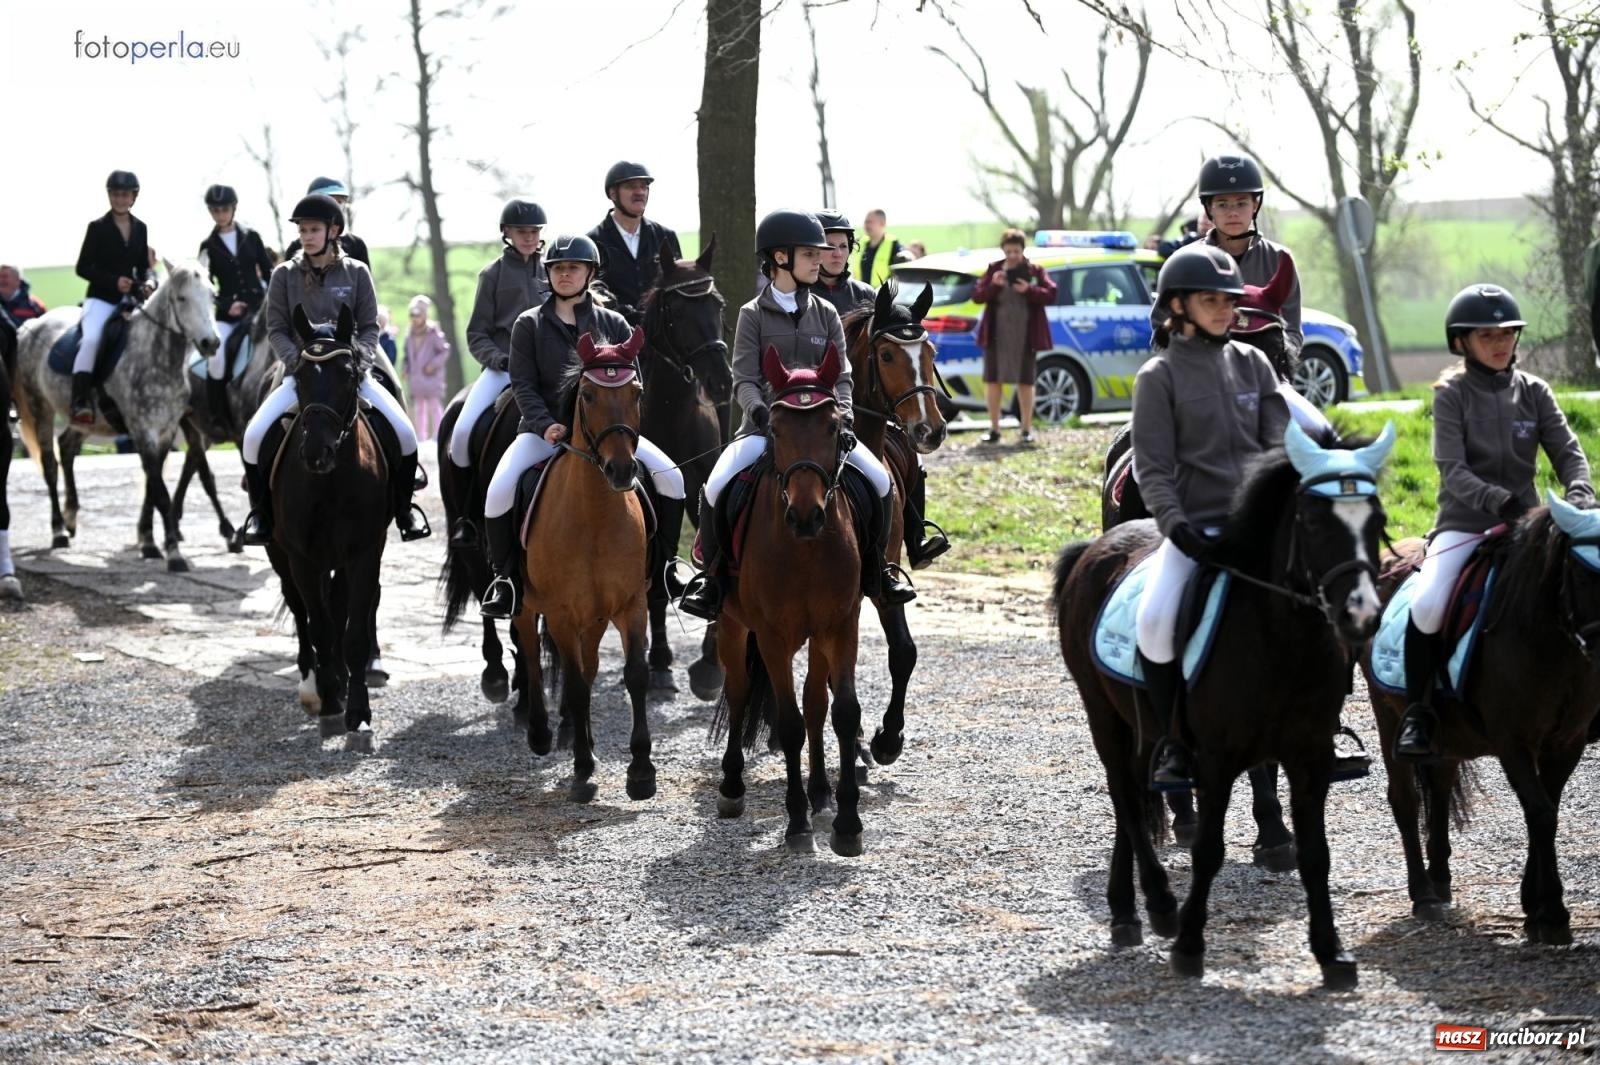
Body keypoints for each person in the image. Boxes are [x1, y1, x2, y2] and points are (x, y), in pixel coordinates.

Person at [676, 209, 917, 621]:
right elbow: (745, 377)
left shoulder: (826, 313)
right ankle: (712, 582)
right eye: (809, 254)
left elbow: (842, 375)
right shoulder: (753, 313)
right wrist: (756, 409)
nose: (818, 260)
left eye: (818, 253)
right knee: (716, 486)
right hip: (765, 428)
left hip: (824, 430)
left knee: (879, 480)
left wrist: (842, 413)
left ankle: (879, 572)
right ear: (780, 258)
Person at [1392, 284, 1596, 761]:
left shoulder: (1535, 391)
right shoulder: (1451, 396)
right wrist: (1499, 501)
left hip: (1530, 527)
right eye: (1487, 336)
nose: (1500, 343)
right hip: (1465, 525)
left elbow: (1569, 453)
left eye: (1507, 334)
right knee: (1427, 604)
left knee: (1587, 581)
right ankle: (1418, 714)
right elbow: (1452, 469)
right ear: (1462, 342)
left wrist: (1581, 495)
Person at [1131, 243, 1290, 790]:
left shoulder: (1256, 363)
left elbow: (1279, 450)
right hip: (1193, 531)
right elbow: (1152, 470)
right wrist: (1177, 528)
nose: (1225, 309)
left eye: (1230, 299)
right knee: (1153, 621)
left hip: (1258, 534)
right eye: (1210, 299)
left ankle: (1320, 724)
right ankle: (1173, 742)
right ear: (1177, 306)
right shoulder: (1158, 376)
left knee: (1325, 601)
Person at [478, 234, 686, 619]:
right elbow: (521, 384)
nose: (565, 274)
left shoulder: (614, 322)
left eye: (573, 267)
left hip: (610, 436)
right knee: (499, 489)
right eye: (557, 268)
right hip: (547, 434)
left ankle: (667, 567)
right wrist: (545, 426)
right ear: (549, 275)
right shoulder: (529, 324)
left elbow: (633, 386)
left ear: (589, 272)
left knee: (672, 479)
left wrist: (627, 432)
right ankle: (505, 580)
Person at [238, 194, 429, 545]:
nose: (306, 236)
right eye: (302, 230)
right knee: (253, 437)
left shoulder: (357, 272)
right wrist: (295, 362)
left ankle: (404, 510)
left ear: (333, 230)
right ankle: (261, 516)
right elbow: (277, 327)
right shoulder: (284, 275)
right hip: (301, 370)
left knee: (404, 432)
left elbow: (370, 325)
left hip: (349, 367)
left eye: (313, 229)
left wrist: (361, 359)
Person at [449, 197, 550, 547]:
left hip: (549, 369)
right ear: (506, 233)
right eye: (521, 231)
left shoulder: (554, 270)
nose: (528, 237)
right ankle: (466, 515)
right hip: (503, 368)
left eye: (534, 231)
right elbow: (477, 332)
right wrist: (499, 358)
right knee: (462, 433)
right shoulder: (492, 274)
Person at [71, 170, 153, 426]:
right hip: (101, 299)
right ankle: (80, 398)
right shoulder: (97, 228)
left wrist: (149, 282)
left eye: (125, 194)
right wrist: (113, 281)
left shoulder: (141, 228)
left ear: (133, 197)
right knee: (92, 339)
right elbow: (82, 267)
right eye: (116, 194)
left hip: (129, 300)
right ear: (110, 196)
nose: (120, 199)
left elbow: (143, 267)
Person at [198, 184, 275, 436]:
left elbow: (268, 272)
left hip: (257, 309)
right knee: (216, 358)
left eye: (225, 209)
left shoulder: (251, 237)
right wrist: (225, 304)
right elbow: (204, 287)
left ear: (234, 209)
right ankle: (218, 418)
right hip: (228, 316)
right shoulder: (207, 246)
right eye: (215, 210)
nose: (220, 214)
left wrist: (270, 299)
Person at [972, 228, 1058, 445]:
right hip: (996, 336)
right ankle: (994, 429)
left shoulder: (1035, 271)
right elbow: (977, 295)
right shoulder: (994, 270)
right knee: (992, 381)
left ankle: (1026, 429)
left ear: (1023, 250)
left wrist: (1029, 290)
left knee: (1026, 382)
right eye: (1008, 251)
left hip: (1025, 336)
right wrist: (994, 285)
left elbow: (1052, 293)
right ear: (1003, 250)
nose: (1012, 255)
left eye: (1016, 251)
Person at [587, 162, 682, 325]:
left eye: (644, 187)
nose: (640, 192)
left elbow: (678, 287)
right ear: (613, 194)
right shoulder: (593, 242)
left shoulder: (666, 237)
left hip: (662, 337)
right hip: (614, 335)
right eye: (631, 187)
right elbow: (591, 293)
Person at [282, 176, 371, 266]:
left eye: (339, 202)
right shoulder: (296, 247)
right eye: (328, 200)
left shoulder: (356, 245)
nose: (335, 206)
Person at [812, 209, 876, 317]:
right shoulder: (798, 295)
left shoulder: (865, 293)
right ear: (813, 250)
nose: (838, 254)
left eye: (843, 246)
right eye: (829, 246)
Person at [404, 294, 450, 442]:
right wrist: (406, 368)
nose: (415, 318)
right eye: (412, 314)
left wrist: (433, 365)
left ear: (424, 315)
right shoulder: (409, 334)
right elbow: (407, 355)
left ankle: (439, 433)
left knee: (435, 405)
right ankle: (421, 436)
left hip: (431, 377)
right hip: (416, 378)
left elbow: (444, 351)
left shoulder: (433, 332)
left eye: (418, 314)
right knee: (419, 407)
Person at [0, 264, 48, 373]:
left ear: (18, 280)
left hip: (28, 363)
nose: (1, 280)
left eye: (5, 276)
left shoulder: (35, 306)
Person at [852, 209, 902, 289]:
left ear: (882, 224)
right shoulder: (860, 243)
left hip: (882, 296)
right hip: (861, 294)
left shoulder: (893, 245)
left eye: (870, 222)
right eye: (865, 222)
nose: (866, 225)